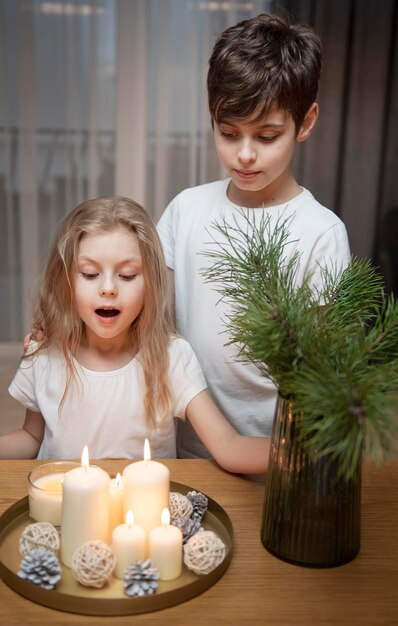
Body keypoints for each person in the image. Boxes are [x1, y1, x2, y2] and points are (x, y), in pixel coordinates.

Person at [156, 13, 351, 459]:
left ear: (305, 123)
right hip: (184, 448)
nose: (243, 154)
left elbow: (318, 371)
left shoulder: (321, 233)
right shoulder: (186, 209)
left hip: (275, 454)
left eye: (267, 136)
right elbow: (144, 313)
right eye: (228, 133)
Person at [2, 196, 269, 473]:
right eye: (90, 274)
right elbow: (31, 437)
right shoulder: (45, 355)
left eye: (127, 275)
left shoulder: (171, 357)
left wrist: (304, 455)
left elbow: (227, 444)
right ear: (66, 280)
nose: (108, 288)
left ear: (150, 284)